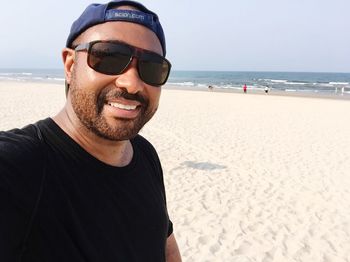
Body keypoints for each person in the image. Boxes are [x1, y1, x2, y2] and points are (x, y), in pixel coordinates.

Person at [0, 1, 181, 261]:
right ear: (70, 65)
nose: (131, 83)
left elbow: (165, 244)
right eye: (109, 56)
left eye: (151, 67)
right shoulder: (18, 168)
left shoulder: (145, 154)